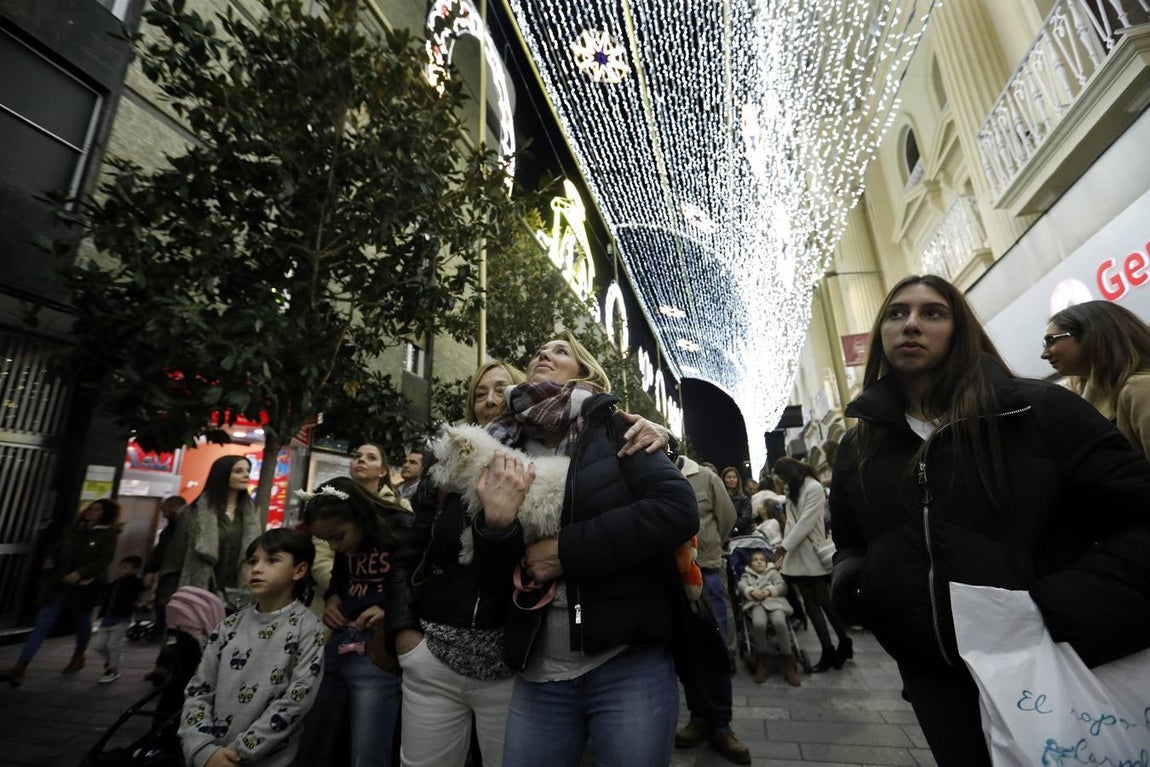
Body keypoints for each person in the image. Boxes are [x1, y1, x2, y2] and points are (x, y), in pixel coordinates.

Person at [830, 274, 1150, 767]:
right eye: (896, 314)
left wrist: (1055, 608)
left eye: (932, 313)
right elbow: (853, 538)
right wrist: (859, 584)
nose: (911, 324)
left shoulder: (1037, 410)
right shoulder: (860, 446)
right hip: (933, 675)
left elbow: (1139, 517)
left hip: (1046, 663)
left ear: (960, 332)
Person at [398, 359, 675, 767]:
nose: (490, 401)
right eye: (479, 393)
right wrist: (404, 633)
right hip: (476, 658)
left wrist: (564, 552)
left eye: (500, 390)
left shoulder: (587, 439)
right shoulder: (467, 461)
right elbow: (422, 555)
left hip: (566, 657)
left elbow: (665, 507)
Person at [471, 332, 699, 767]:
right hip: (538, 673)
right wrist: (495, 529)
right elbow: (492, 579)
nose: (544, 353)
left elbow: (676, 510)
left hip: (626, 665)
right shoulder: (502, 442)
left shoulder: (615, 429)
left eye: (561, 351)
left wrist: (565, 552)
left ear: (586, 372)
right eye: (540, 349)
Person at [293, 476, 422, 767]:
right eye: (327, 541)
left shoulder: (402, 526)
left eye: (338, 537)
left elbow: (422, 581)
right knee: (318, 740)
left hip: (377, 647)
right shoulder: (347, 546)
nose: (335, 547)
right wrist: (333, 598)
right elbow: (341, 575)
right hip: (339, 641)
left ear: (359, 516)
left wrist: (392, 611)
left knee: (368, 749)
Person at [179, 528, 323, 767]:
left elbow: (297, 700)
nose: (256, 568)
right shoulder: (228, 626)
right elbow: (199, 691)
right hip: (213, 755)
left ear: (299, 570)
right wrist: (203, 750)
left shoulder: (308, 629)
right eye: (252, 561)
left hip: (271, 760)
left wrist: (238, 753)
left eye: (272, 560)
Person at [673, 455, 750, 764]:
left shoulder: (704, 477)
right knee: (687, 651)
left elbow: (727, 516)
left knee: (715, 649)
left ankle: (722, 725)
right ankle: (698, 717)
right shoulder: (650, 473)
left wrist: (708, 547)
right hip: (670, 579)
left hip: (706, 571)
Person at [0, 498, 121, 686]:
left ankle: (79, 655)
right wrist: (50, 558)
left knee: (81, 621)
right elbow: (56, 547)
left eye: (97, 510)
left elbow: (105, 559)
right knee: (43, 622)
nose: (91, 511)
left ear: (105, 515)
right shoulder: (75, 528)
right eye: (91, 508)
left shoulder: (108, 534)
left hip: (84, 585)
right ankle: (21, 666)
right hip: (59, 581)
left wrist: (81, 573)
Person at [1042, 299, 1150, 456]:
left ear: (1090, 334)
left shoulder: (1139, 389)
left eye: (1051, 340)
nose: (1044, 354)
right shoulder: (1088, 399)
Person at [773, 456, 850, 672]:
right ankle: (829, 649)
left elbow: (807, 522)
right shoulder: (793, 489)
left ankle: (842, 643)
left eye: (782, 477)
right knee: (811, 605)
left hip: (811, 553)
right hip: (798, 554)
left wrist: (784, 547)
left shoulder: (814, 488)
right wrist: (783, 547)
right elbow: (791, 522)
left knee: (824, 602)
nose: (782, 481)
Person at [171, 455, 262, 596]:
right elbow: (175, 557)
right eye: (238, 471)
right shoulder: (195, 512)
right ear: (223, 475)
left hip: (239, 595)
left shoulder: (252, 513)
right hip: (200, 591)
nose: (246, 475)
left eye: (247, 471)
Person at [737, 551, 798, 686]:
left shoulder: (773, 573)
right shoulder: (746, 575)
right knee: (758, 624)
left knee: (779, 622)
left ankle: (788, 661)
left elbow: (782, 586)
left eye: (761, 560)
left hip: (775, 602)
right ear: (750, 564)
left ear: (766, 563)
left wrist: (769, 591)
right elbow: (741, 586)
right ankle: (762, 660)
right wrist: (751, 591)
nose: (759, 562)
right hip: (756, 603)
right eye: (755, 560)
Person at [92, 554, 145, 683]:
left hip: (122, 619)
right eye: (121, 567)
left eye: (125, 567)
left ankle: (113, 670)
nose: (121, 570)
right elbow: (105, 587)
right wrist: (91, 583)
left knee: (114, 645)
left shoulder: (135, 582)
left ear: (134, 570)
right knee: (98, 646)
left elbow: (143, 586)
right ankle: (111, 662)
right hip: (107, 619)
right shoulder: (117, 582)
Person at [143, 495, 187, 635]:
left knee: (166, 607)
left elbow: (161, 550)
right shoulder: (170, 528)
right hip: (168, 574)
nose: (163, 514)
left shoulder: (181, 528)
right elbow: (160, 550)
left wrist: (151, 570)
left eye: (165, 510)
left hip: (174, 575)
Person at [721, 466, 752, 535]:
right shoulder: (720, 499)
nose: (731, 479)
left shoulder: (744, 499)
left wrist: (733, 528)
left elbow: (745, 518)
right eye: (728, 477)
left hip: (741, 535)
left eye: (734, 477)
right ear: (723, 480)